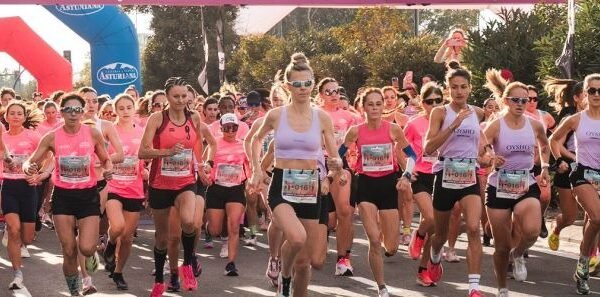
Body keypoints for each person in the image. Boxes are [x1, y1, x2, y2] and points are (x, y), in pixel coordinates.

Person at [248, 52, 345, 297]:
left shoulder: (322, 117)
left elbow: (333, 155)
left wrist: (337, 166)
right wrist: (257, 170)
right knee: (297, 238)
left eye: (308, 83)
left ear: (313, 84)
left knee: (306, 262)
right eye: (298, 84)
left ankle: (291, 282)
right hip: (282, 184)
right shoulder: (276, 115)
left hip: (310, 187)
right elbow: (254, 140)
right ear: (288, 86)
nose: (303, 88)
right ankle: (284, 274)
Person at [23, 93, 113, 297]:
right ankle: (74, 291)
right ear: (62, 112)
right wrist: (28, 167)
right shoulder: (52, 137)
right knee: (69, 249)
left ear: (82, 112)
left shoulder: (93, 133)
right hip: (63, 196)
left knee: (87, 248)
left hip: (88, 195)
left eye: (77, 109)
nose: (73, 113)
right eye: (69, 109)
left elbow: (106, 159)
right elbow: (33, 160)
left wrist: (108, 170)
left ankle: (90, 256)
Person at [424, 65, 491, 297]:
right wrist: (453, 125)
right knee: (440, 234)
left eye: (463, 87)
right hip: (445, 173)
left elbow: (482, 139)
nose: (459, 92)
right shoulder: (440, 112)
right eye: (454, 88)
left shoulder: (479, 113)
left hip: (469, 175)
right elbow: (428, 147)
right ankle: (434, 257)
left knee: (473, 227)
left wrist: (486, 154)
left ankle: (473, 287)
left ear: (470, 88)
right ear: (448, 89)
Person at [483, 69, 550, 296]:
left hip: (525, 184)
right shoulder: (496, 125)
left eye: (526, 100)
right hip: (499, 187)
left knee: (531, 231)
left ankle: (519, 253)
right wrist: (491, 157)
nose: (521, 103)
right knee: (500, 246)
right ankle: (502, 288)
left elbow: (544, 145)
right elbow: (480, 148)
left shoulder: (534, 125)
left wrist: (546, 167)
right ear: (505, 101)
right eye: (516, 100)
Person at [342, 87, 415, 297]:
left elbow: (412, 155)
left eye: (378, 104)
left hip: (388, 186)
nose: (374, 108)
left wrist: (406, 176)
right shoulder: (355, 131)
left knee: (390, 246)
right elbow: (339, 154)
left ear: (383, 106)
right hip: (365, 185)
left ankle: (388, 237)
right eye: (370, 104)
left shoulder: (393, 129)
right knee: (374, 240)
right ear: (363, 107)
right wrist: (341, 169)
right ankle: (381, 286)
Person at [139, 77, 206, 296]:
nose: (180, 100)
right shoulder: (157, 119)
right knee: (162, 237)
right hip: (160, 184)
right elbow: (143, 152)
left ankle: (187, 265)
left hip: (186, 181)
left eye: (184, 96)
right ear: (167, 97)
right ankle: (159, 279)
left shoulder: (194, 117)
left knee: (189, 222)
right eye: (175, 96)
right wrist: (166, 152)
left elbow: (196, 145)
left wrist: (201, 167)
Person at [549, 73, 600, 295]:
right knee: (597, 217)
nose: (597, 95)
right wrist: (559, 160)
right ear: (584, 94)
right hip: (582, 174)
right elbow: (554, 140)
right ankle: (586, 260)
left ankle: (582, 264)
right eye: (592, 91)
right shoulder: (576, 119)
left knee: (595, 222)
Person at [102, 94, 147, 290]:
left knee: (128, 237)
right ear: (115, 110)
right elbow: (100, 154)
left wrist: (145, 168)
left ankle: (119, 272)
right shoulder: (109, 131)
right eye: (121, 108)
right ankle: (110, 243)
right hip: (113, 186)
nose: (125, 111)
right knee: (118, 226)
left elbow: (146, 156)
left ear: (134, 108)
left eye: (129, 107)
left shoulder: (143, 131)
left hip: (134, 188)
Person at [404, 82, 444, 286]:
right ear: (422, 102)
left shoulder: (449, 121)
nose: (435, 105)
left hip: (443, 175)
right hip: (421, 176)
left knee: (436, 228)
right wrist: (408, 171)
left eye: (439, 101)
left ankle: (423, 269)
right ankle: (418, 234)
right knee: (430, 217)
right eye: (430, 101)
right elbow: (401, 147)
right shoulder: (414, 123)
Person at [2, 100, 44, 290]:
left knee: (26, 238)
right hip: (9, 185)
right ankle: (17, 273)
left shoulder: (33, 136)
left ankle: (17, 241)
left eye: (20, 113)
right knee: (13, 229)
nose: (16, 116)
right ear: (6, 116)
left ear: (25, 117)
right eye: (12, 113)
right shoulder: (2, 137)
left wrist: (39, 174)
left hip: (28, 188)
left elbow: (49, 154)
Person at [316, 77, 356, 276]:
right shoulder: (315, 115)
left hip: (341, 163)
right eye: (328, 91)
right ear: (320, 95)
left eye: (336, 90)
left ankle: (343, 258)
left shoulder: (349, 116)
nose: (333, 94)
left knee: (345, 211)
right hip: (318, 164)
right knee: (327, 220)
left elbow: (357, 140)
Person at [205, 113, 249, 276]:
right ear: (221, 128)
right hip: (216, 188)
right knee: (216, 229)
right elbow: (205, 164)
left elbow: (249, 166)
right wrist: (207, 176)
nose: (230, 131)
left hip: (235, 188)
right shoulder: (214, 144)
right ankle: (209, 227)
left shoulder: (243, 145)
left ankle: (231, 263)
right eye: (227, 128)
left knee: (234, 226)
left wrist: (250, 180)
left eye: (234, 127)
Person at [545, 79, 586, 251]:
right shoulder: (570, 117)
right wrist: (574, 157)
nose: (595, 96)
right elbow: (556, 143)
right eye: (588, 93)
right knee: (569, 217)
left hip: (591, 169)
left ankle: (591, 252)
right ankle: (557, 228)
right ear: (577, 98)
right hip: (568, 167)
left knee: (594, 215)